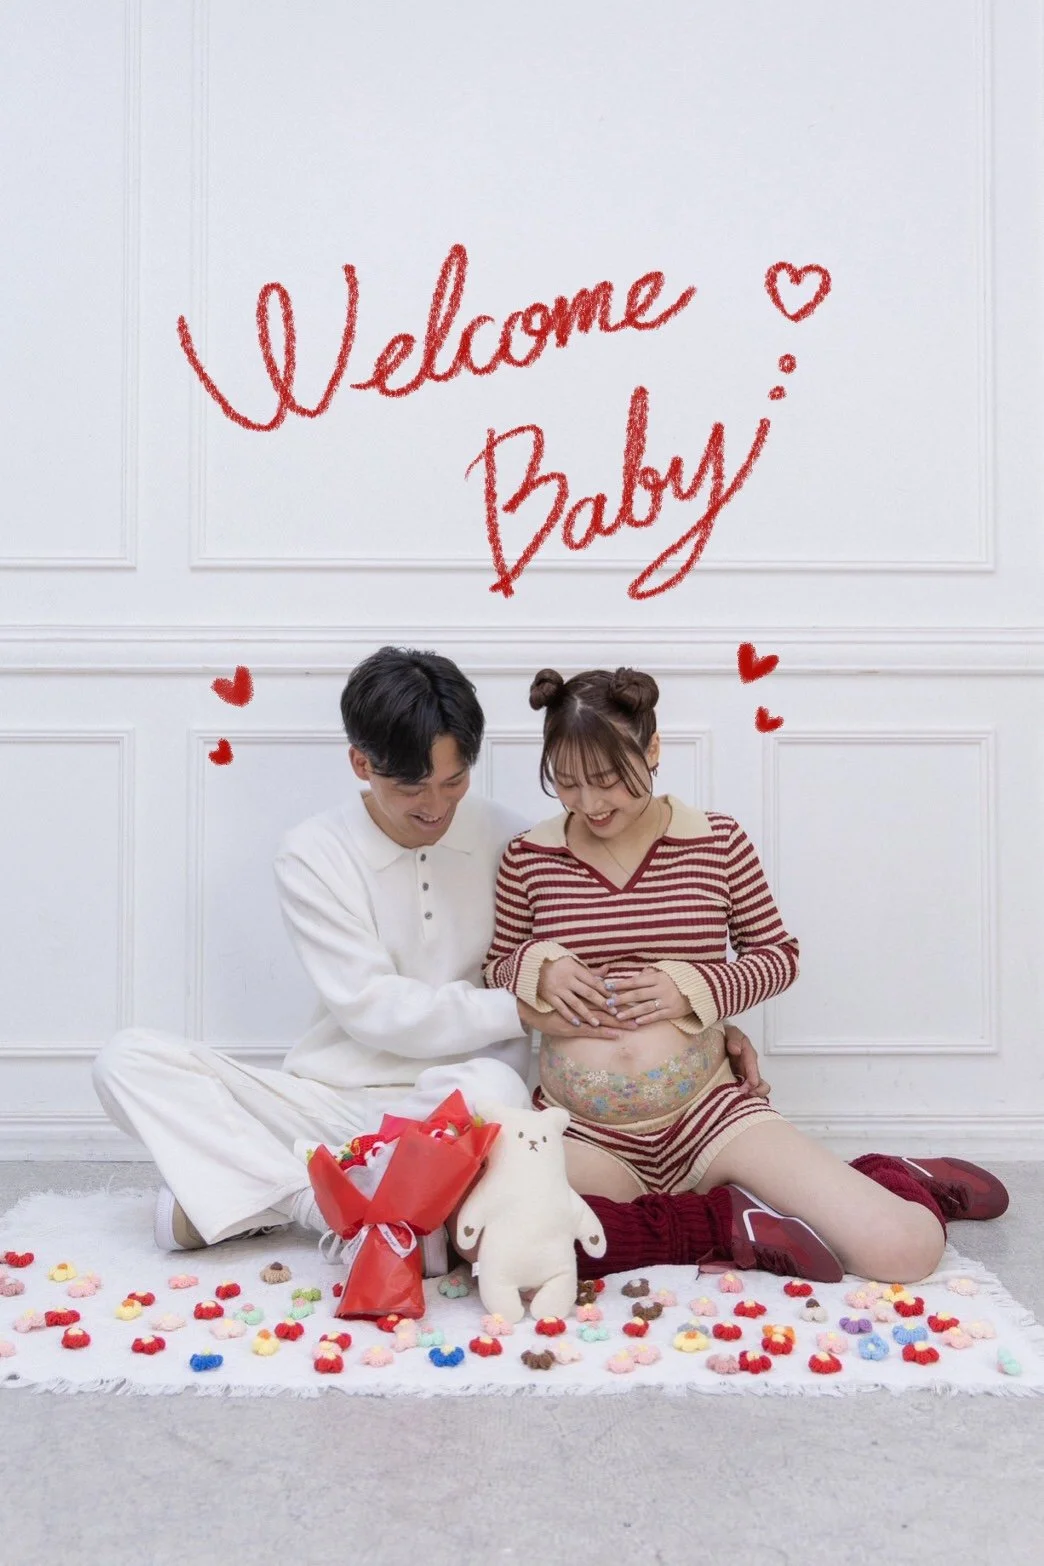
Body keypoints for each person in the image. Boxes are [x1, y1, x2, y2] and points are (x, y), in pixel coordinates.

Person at [91, 646, 771, 1264]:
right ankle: (319, 1205)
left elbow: (611, 947)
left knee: (494, 1090)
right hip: (329, 1100)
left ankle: (264, 1194)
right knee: (125, 1059)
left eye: (454, 781)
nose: (435, 805)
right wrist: (519, 1012)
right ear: (361, 764)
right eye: (411, 787)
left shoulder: (519, 842)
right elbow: (370, 1008)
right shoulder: (312, 853)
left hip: (463, 1105)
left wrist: (710, 1026)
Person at [483, 666, 1009, 1284]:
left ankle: (887, 1177)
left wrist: (695, 987)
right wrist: (538, 969)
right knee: (495, 1246)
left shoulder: (718, 841)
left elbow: (778, 955)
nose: (591, 804)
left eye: (607, 780)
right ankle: (725, 1218)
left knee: (905, 1250)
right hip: (584, 1133)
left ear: (652, 750)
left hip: (709, 1116)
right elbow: (495, 972)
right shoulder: (528, 857)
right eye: (568, 784)